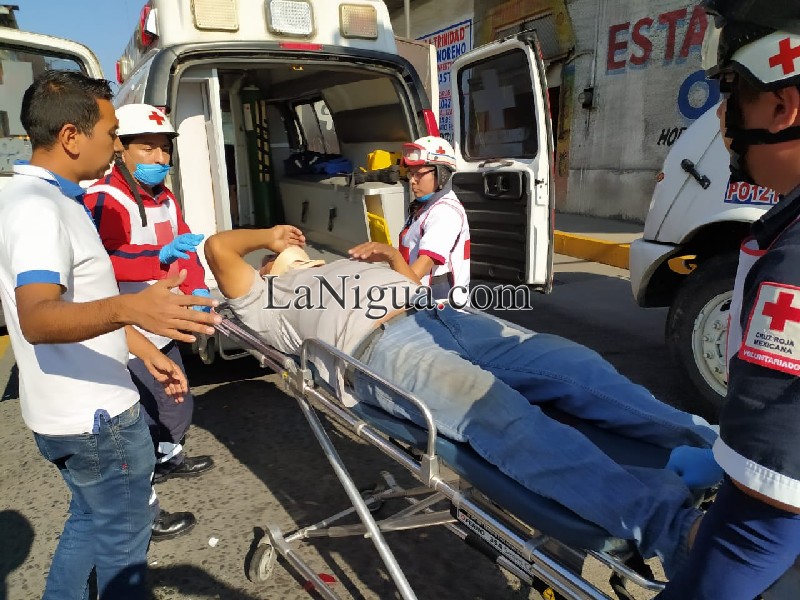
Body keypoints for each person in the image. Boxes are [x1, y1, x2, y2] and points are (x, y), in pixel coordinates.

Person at [204, 227, 722, 578]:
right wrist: (266, 239)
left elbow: (412, 288)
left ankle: (718, 451)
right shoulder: (266, 301)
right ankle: (673, 530)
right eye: (274, 258)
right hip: (382, 347)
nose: (287, 255)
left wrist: (395, 262)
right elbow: (219, 249)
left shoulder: (340, 265)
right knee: (499, 416)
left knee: (576, 366)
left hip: (443, 317)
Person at [0, 71, 219, 599]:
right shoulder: (39, 208)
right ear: (72, 136)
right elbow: (38, 317)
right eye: (111, 131)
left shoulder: (30, 195)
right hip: (95, 419)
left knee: (90, 525)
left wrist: (141, 345)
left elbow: (75, 305)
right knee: (124, 549)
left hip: (71, 407)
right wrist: (131, 305)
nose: (117, 144)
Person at [656, 2, 800, 598]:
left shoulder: (793, 261)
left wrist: (710, 569)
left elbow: (772, 496)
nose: (721, 116)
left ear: (781, 106)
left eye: (730, 92)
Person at [84, 104, 214, 510]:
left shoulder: (166, 197)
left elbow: (186, 244)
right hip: (128, 324)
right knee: (138, 410)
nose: (160, 159)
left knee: (177, 401)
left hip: (166, 319)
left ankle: (167, 455)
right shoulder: (105, 198)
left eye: (165, 149)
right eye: (149, 149)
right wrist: (158, 255)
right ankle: (142, 494)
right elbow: (102, 259)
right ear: (120, 147)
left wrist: (197, 289)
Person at [381, 136, 470, 300]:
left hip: (439, 310)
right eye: (410, 174)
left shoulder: (445, 213)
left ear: (442, 174)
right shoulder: (424, 207)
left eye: (419, 174)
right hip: (421, 300)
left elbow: (421, 268)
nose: (412, 181)